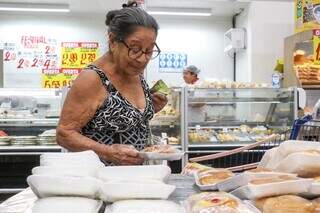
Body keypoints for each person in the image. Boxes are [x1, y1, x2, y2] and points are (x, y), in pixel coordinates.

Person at [56, 1, 167, 166]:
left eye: (149, 51)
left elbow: (128, 115)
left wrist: (152, 106)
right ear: (113, 40)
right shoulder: (93, 78)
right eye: (135, 49)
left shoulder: (135, 73)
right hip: (101, 180)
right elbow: (64, 134)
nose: (143, 59)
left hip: (139, 179)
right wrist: (107, 152)